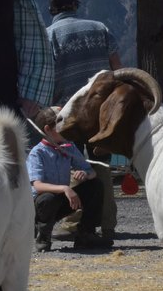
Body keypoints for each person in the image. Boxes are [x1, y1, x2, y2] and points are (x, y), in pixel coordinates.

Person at [27, 107, 110, 252]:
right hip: (41, 206)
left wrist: (84, 174)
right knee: (47, 198)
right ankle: (43, 236)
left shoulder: (69, 147)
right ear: (47, 129)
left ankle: (86, 234)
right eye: (61, 126)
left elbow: (91, 172)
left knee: (95, 185)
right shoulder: (37, 153)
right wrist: (65, 188)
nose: (67, 130)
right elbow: (38, 186)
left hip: (61, 200)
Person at [47, 0, 123, 107]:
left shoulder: (49, 36)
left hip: (68, 111)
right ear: (75, 4)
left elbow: (44, 81)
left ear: (51, 8)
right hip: (103, 108)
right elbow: (118, 69)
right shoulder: (100, 28)